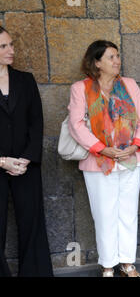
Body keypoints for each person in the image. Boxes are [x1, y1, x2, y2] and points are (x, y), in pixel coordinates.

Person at [68, 40, 140, 277]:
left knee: (128, 212)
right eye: (111, 57)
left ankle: (127, 263)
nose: (117, 61)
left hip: (130, 159)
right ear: (96, 63)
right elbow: (76, 125)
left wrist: (135, 146)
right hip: (98, 162)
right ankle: (107, 265)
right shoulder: (80, 89)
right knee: (104, 215)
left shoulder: (129, 85)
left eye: (117, 56)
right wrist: (101, 149)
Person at [0, 26, 53, 277]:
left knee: (32, 224)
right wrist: (2, 161)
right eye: (3, 47)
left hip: (25, 165)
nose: (11, 50)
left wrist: (27, 158)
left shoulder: (25, 79)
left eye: (11, 45)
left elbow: (36, 122)